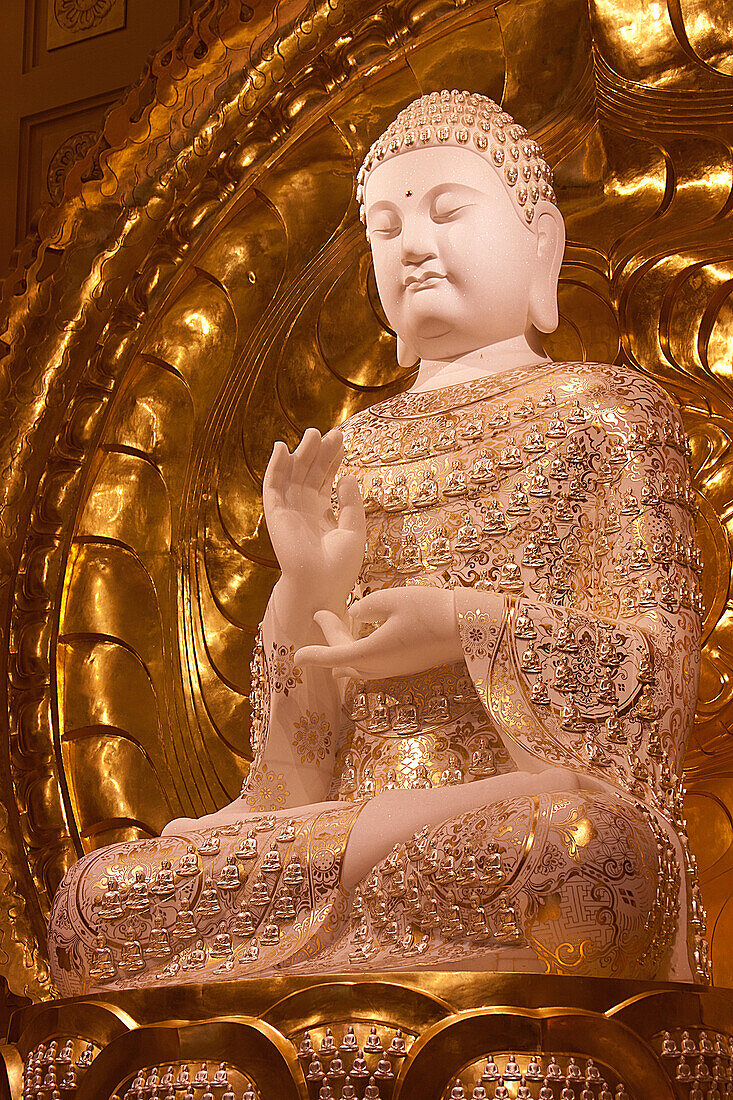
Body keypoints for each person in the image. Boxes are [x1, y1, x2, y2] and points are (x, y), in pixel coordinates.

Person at [48, 88, 704, 994]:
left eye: (447, 212)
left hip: (522, 822)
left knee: (583, 854)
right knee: (97, 900)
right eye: (385, 229)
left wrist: (464, 622)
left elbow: (657, 676)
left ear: (540, 240)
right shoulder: (351, 447)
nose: (415, 247)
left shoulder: (608, 413)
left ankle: (413, 850)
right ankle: (374, 861)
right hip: (345, 831)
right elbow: (291, 772)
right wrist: (306, 588)